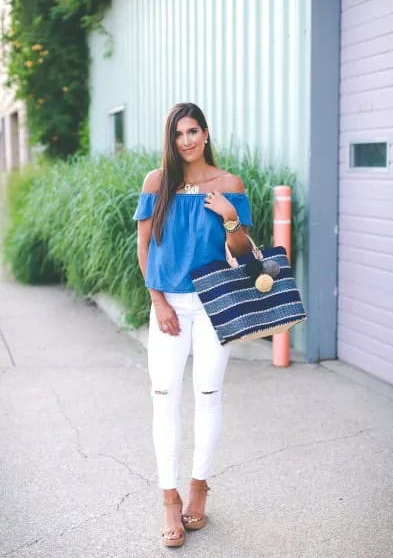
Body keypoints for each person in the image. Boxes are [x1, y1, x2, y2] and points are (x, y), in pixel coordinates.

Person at [133, 102, 253, 547]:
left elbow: (241, 252)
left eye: (193, 131)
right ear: (172, 138)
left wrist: (229, 215)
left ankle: (198, 488)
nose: (186, 140)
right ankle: (170, 498)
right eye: (178, 133)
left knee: (208, 395)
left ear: (205, 133)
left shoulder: (229, 184)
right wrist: (157, 300)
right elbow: (144, 249)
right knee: (164, 397)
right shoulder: (156, 183)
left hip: (214, 303)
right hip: (169, 306)